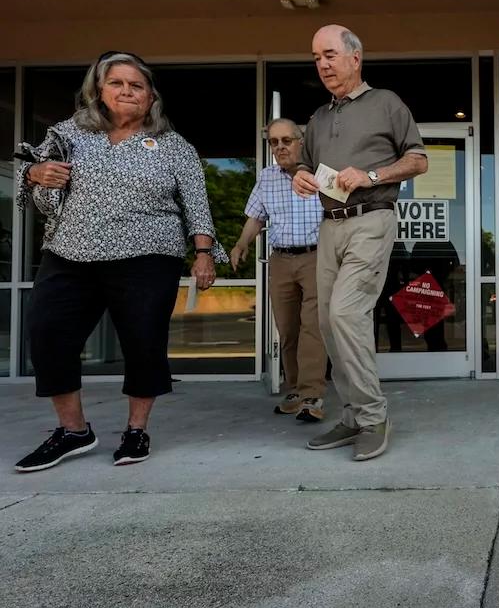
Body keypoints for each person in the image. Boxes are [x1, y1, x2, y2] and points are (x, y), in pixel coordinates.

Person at [13, 51, 227, 473]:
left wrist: (203, 254)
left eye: (137, 86)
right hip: (70, 253)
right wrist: (37, 175)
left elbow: (197, 207)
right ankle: (73, 431)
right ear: (99, 90)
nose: (127, 91)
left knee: (143, 343)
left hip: (148, 256)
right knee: (47, 333)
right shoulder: (69, 133)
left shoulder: (173, 146)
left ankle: (136, 430)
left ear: (151, 98)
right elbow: (31, 172)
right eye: (117, 83)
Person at [292, 25, 428, 461]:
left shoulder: (386, 103)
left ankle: (372, 416)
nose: (323, 65)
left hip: (372, 219)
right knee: (329, 324)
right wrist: (299, 176)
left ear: (355, 57)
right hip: (329, 224)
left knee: (346, 313)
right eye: (316, 58)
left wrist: (371, 175)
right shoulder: (317, 118)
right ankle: (352, 415)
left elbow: (418, 160)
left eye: (329, 54)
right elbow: (307, 166)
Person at [231, 118, 327, 422]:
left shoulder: (320, 173)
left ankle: (313, 395)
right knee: (287, 329)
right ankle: (297, 389)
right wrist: (241, 243)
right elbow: (256, 217)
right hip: (281, 261)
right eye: (274, 142)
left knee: (313, 327)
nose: (280, 146)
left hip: (316, 257)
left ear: (301, 141)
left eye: (287, 140)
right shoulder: (267, 177)